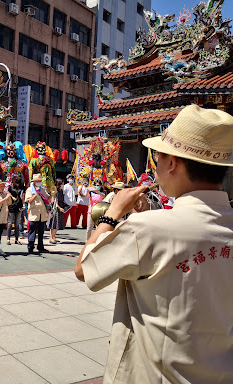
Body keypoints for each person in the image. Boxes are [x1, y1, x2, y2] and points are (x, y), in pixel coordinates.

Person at [74, 105, 233, 383]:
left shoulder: (147, 228)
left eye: (157, 157)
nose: (156, 166)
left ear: (172, 162)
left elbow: (84, 268)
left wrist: (112, 214)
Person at [25, 173, 49, 254]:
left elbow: (47, 199)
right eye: (38, 181)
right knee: (32, 231)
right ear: (34, 182)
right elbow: (28, 200)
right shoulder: (29, 190)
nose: (39, 182)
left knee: (41, 232)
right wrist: (35, 195)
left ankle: (40, 246)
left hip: (42, 214)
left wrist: (52, 193)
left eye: (40, 181)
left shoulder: (43, 188)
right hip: (34, 213)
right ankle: (30, 247)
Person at [48, 179, 68, 244]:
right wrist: (59, 208)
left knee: (57, 224)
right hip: (55, 209)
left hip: (60, 208)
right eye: (62, 184)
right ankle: (51, 237)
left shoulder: (61, 191)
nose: (63, 185)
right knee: (54, 224)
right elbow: (53, 201)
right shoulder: (55, 191)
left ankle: (54, 237)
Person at [6, 174, 24, 245]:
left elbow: (22, 196)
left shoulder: (21, 187)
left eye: (19, 179)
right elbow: (7, 194)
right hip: (12, 206)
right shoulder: (10, 187)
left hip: (19, 206)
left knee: (17, 223)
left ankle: (17, 239)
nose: (18, 180)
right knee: (10, 223)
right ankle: (8, 239)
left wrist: (23, 205)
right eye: (16, 179)